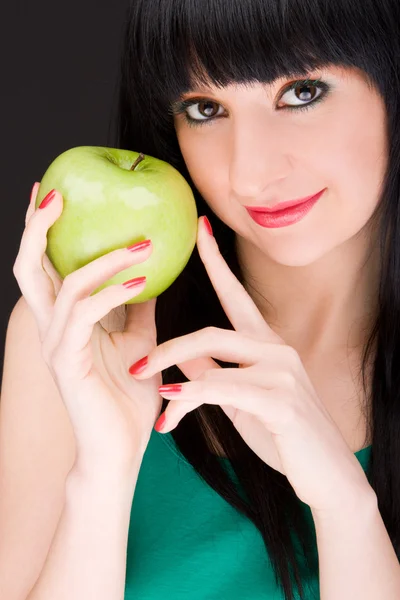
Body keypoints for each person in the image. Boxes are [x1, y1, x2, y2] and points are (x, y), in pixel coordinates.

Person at [1, 0, 400, 598]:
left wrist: (348, 510)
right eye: (206, 108)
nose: (250, 172)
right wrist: (103, 476)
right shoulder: (81, 339)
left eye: (302, 92)